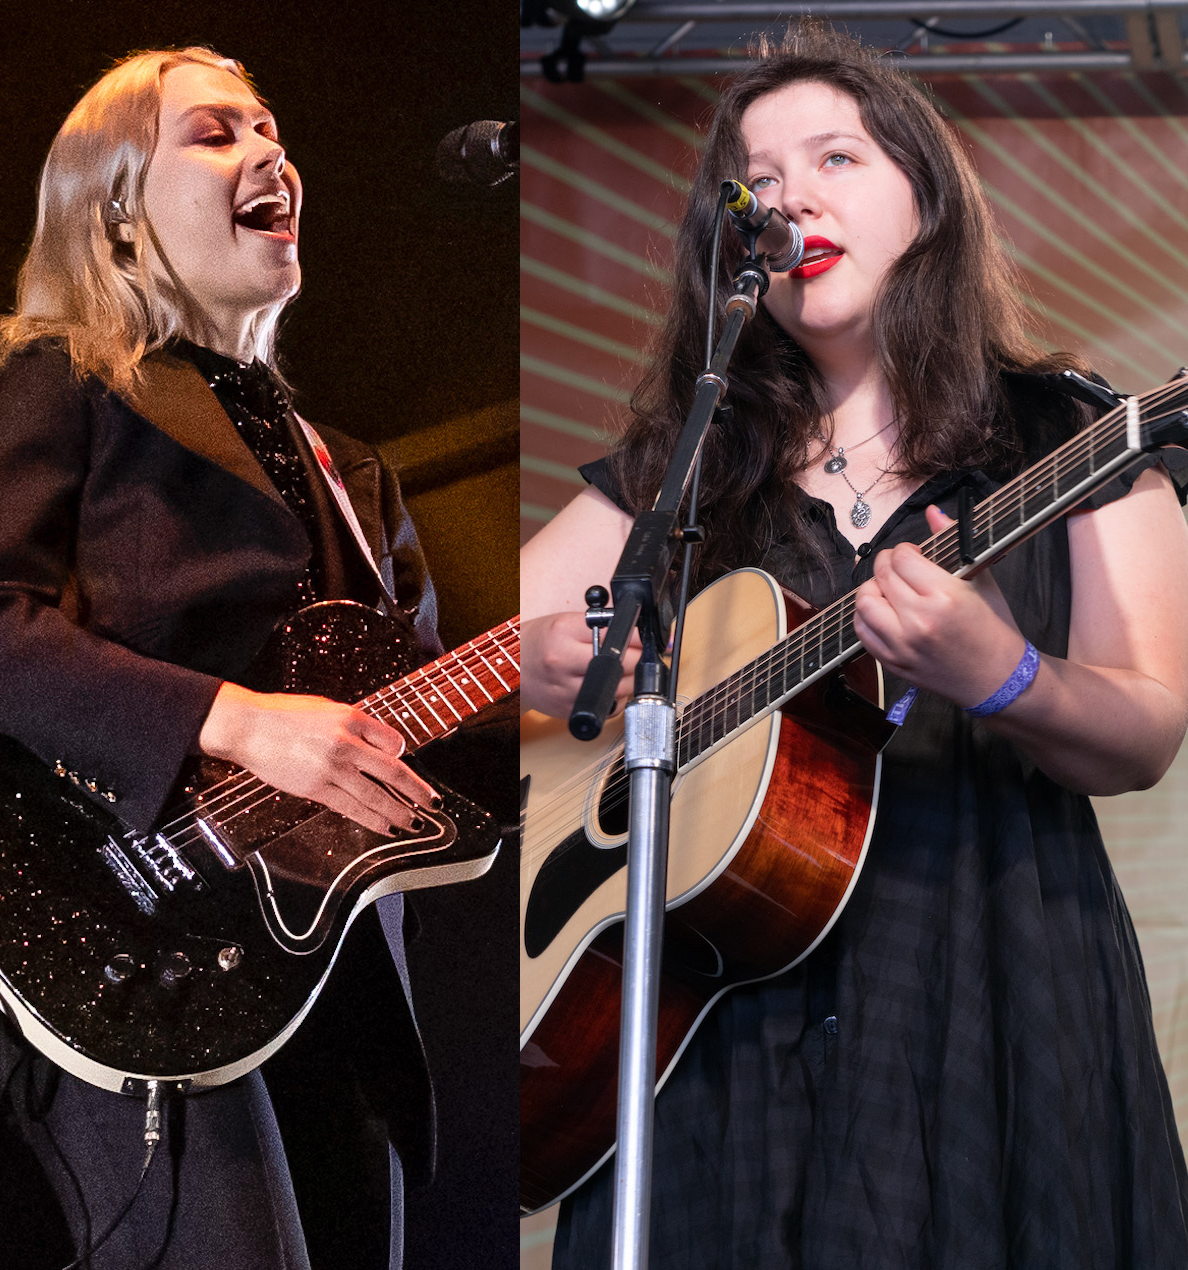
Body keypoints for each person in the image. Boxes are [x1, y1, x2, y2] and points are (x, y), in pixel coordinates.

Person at [515, 25, 1188, 1268]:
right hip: (714, 1032)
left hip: (984, 982)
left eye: (835, 157)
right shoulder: (685, 466)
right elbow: (486, 648)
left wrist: (1006, 675)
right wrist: (540, 663)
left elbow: (1144, 729)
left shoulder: (1072, 428)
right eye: (755, 184)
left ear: (925, 199)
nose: (788, 201)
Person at [0, 46, 448, 1270]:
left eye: (270, 126)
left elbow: (427, 729)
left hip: (329, 976)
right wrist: (240, 721)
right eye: (213, 134)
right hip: (127, 934)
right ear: (116, 213)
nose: (269, 151)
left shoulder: (351, 472)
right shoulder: (53, 374)